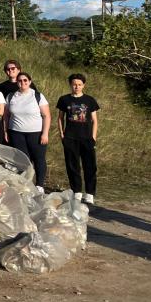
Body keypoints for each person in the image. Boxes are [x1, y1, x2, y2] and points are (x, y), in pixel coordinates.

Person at [3, 72, 51, 191]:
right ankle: (25, 184)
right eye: (20, 80)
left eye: (25, 80)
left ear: (30, 82)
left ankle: (39, 185)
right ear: (17, 82)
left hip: (36, 133)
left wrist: (45, 133)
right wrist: (6, 131)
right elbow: (6, 116)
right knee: (22, 160)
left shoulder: (37, 96)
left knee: (39, 158)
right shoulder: (11, 96)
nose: (22, 83)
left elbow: (46, 116)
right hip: (16, 133)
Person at [56, 74, 100, 205]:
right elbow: (60, 118)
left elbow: (94, 120)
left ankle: (90, 193)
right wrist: (62, 134)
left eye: (79, 84)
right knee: (72, 165)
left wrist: (93, 137)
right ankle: (77, 191)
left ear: (83, 85)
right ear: (70, 84)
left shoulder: (90, 100)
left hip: (87, 138)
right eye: (74, 84)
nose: (77, 87)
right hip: (70, 137)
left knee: (90, 166)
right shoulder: (64, 99)